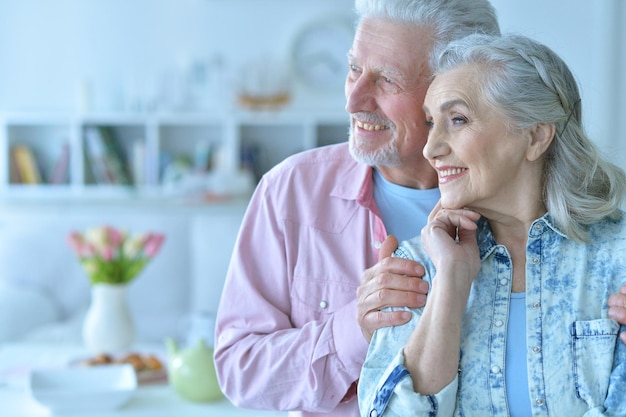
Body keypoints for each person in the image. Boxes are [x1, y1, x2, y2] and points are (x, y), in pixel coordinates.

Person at [213, 1, 501, 416]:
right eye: (353, 69)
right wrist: (354, 330)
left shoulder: (518, 204)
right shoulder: (290, 191)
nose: (353, 100)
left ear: (455, 92)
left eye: (386, 79)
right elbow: (240, 372)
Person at [358, 33, 626, 417]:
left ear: (535, 136)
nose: (431, 148)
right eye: (431, 123)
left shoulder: (619, 255)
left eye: (458, 120)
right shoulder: (415, 267)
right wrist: (450, 281)